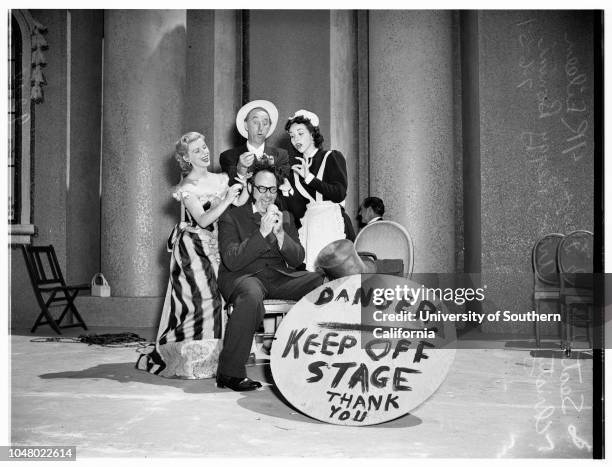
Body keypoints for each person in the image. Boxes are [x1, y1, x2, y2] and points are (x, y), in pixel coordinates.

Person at [136, 132, 247, 379]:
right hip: (193, 249)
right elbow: (203, 219)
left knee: (220, 298)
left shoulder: (220, 179)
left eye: (205, 147)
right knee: (200, 302)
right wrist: (227, 199)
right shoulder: (187, 188)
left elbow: (241, 203)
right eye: (197, 151)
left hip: (218, 245)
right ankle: (196, 358)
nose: (205, 152)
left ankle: (220, 357)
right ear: (186, 158)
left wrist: (243, 179)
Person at [216, 163, 324, 391]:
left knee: (319, 281)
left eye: (272, 190)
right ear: (250, 187)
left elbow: (298, 260)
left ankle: (310, 359)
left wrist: (281, 234)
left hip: (277, 277)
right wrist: (262, 233)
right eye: (262, 189)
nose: (267, 195)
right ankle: (230, 373)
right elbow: (232, 259)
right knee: (251, 295)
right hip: (243, 276)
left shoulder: (285, 216)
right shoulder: (231, 217)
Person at [285, 109, 356, 271]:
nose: (295, 139)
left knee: (337, 277)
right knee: (312, 278)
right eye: (292, 135)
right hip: (310, 226)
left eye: (300, 133)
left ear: (312, 133)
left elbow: (339, 194)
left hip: (332, 223)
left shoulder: (331, 157)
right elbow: (298, 211)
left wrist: (309, 178)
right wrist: (287, 192)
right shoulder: (295, 169)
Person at [219, 99, 291, 189]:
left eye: (265, 123)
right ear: (246, 125)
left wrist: (271, 168)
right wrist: (241, 170)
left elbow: (284, 186)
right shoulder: (228, 156)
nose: (261, 128)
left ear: (269, 127)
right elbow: (230, 190)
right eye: (255, 122)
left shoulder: (281, 155)